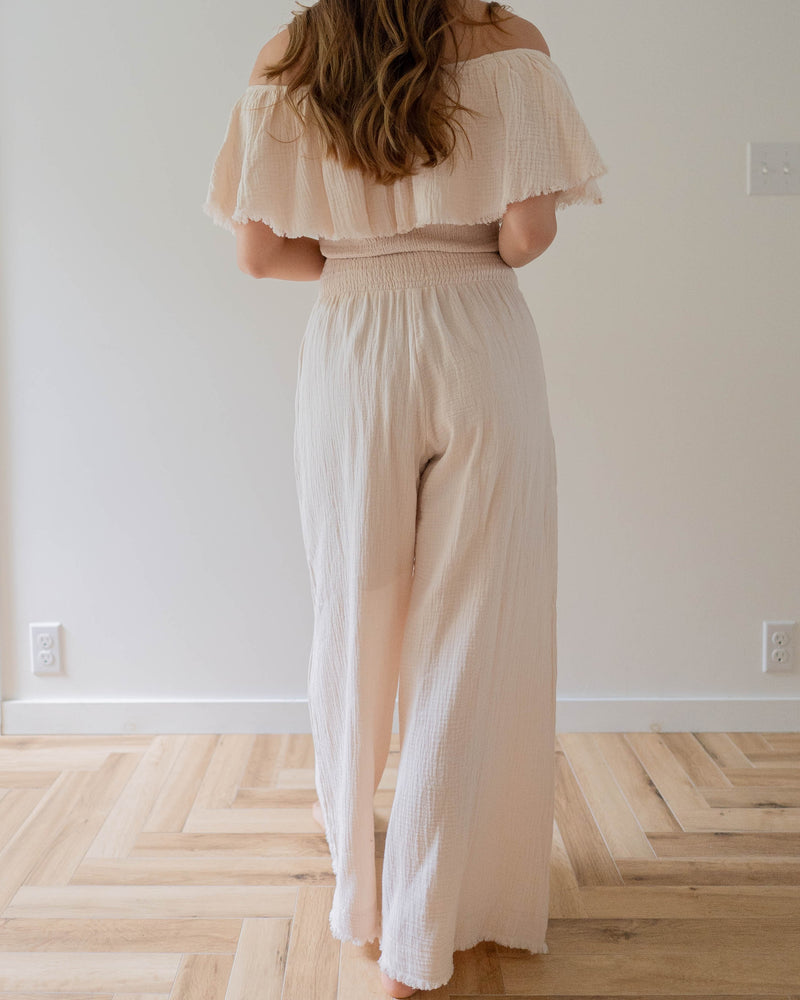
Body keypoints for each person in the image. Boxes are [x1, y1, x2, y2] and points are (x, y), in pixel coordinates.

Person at [202, 1, 607, 994]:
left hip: (353, 346)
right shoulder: (512, 47)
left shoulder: (291, 55)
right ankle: (427, 932)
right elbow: (523, 237)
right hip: (480, 341)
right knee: (466, 633)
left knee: (354, 615)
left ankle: (360, 896)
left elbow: (257, 254)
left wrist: (355, 257)